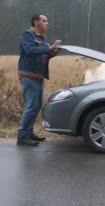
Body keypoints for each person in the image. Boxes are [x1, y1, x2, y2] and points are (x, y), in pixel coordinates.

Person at [17, 14, 61, 146]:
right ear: (36, 22)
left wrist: (54, 51)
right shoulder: (27, 35)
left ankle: (29, 132)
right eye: (44, 21)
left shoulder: (43, 38)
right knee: (31, 106)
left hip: (38, 77)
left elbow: (44, 55)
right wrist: (49, 48)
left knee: (36, 106)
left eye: (47, 21)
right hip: (28, 76)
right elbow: (30, 50)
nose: (47, 23)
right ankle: (22, 135)